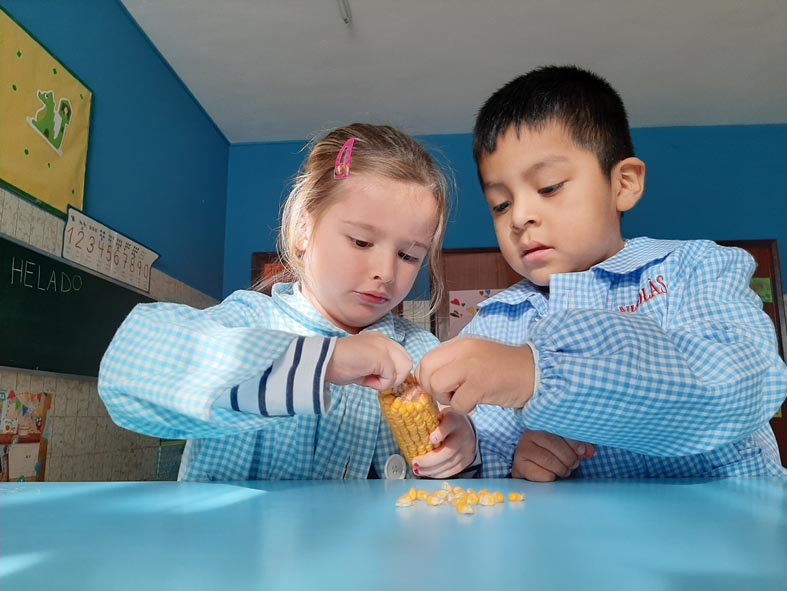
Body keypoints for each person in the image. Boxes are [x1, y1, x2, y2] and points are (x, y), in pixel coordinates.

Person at [416, 66, 787, 480]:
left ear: (624, 184)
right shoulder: (493, 324)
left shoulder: (696, 269)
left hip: (727, 514)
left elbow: (740, 382)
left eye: (549, 187)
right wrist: (498, 459)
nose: (519, 217)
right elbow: (485, 452)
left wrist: (537, 372)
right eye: (501, 205)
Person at [99, 123, 479, 481]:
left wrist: (464, 444)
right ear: (302, 230)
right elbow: (127, 372)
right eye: (361, 242)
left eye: (409, 255)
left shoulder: (422, 352)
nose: (386, 272)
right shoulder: (250, 318)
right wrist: (325, 361)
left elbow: (458, 470)